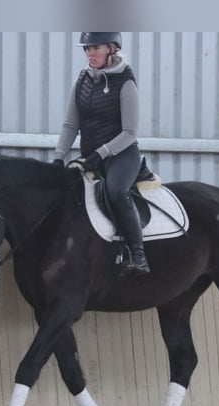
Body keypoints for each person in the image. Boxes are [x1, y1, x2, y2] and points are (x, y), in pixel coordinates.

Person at [53, 32, 150, 275]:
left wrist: (102, 153)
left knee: (116, 191)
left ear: (112, 48)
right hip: (91, 156)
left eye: (94, 48)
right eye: (86, 49)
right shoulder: (82, 81)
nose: (89, 54)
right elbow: (70, 125)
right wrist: (58, 156)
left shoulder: (125, 83)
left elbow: (130, 132)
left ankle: (137, 255)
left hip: (122, 156)